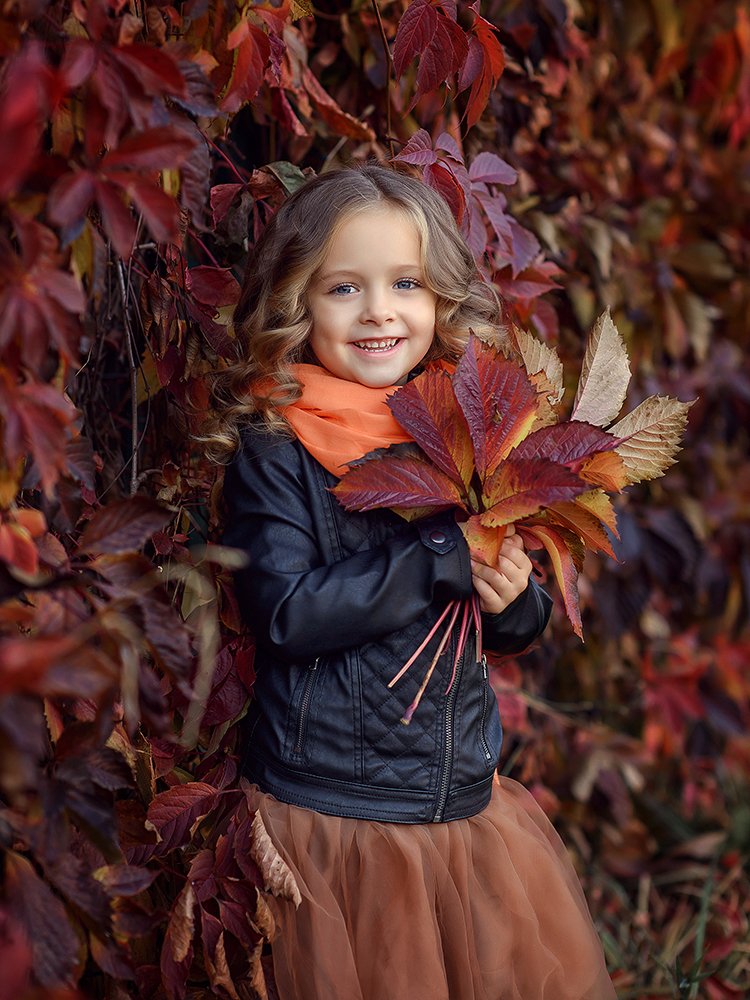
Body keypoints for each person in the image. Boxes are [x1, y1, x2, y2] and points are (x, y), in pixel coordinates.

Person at [212, 165, 616, 1000]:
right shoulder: (278, 447)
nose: (378, 312)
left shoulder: (464, 436)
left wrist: (514, 600)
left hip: (457, 803)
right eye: (343, 288)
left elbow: (505, 611)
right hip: (337, 810)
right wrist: (436, 557)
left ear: (441, 301)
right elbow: (284, 613)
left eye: (405, 283)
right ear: (297, 303)